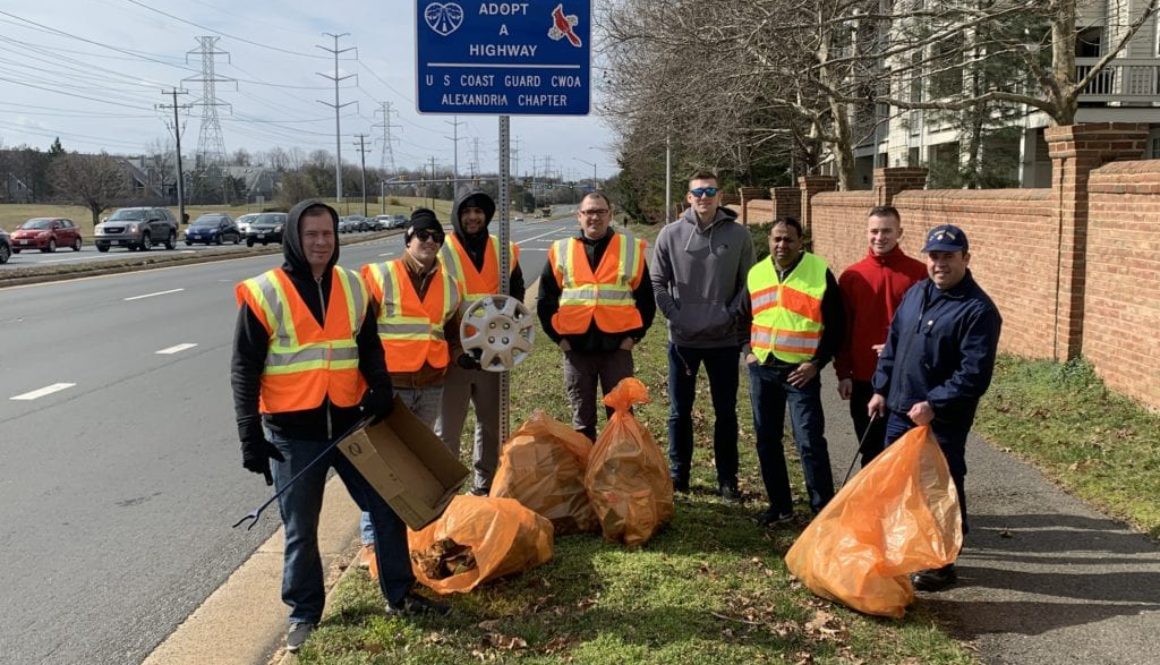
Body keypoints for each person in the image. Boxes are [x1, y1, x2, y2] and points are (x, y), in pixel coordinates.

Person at [231, 200, 448, 654]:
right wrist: (249, 432)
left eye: (327, 234)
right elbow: (244, 368)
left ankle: (400, 594)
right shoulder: (265, 291)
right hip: (294, 431)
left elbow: (369, 345)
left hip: (350, 423)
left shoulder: (352, 286)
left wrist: (381, 386)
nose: (320, 243)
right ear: (294, 236)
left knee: (386, 506)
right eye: (311, 234)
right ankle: (304, 613)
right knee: (301, 526)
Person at [868, 224, 1002, 592]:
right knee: (898, 486)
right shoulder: (917, 294)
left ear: (965, 258)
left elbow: (973, 374)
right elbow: (894, 343)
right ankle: (906, 550)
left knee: (938, 489)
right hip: (898, 411)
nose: (940, 263)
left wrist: (935, 403)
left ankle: (942, 563)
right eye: (934, 256)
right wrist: (880, 388)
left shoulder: (978, 310)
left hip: (940, 420)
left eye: (948, 256)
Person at [650, 171, 754, 501]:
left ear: (719, 196)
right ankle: (679, 476)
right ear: (688, 198)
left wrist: (729, 315)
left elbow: (749, 284)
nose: (704, 197)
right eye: (698, 192)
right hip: (683, 341)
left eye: (710, 191)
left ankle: (727, 479)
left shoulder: (739, 236)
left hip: (723, 341)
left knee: (726, 412)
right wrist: (676, 315)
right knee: (680, 411)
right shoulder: (670, 235)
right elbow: (656, 283)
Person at [737, 217, 845, 526]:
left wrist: (816, 364)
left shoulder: (819, 272)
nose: (781, 245)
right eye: (776, 239)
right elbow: (741, 317)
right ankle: (780, 507)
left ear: (801, 242)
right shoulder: (757, 272)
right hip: (763, 370)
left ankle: (822, 512)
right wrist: (747, 352)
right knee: (766, 440)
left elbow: (836, 327)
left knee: (809, 441)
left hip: (801, 373)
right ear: (769, 240)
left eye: (788, 240)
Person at [537, 192, 656, 440]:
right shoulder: (561, 250)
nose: (595, 217)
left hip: (617, 350)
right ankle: (587, 472)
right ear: (579, 216)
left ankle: (618, 473)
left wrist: (632, 339)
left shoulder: (629, 248)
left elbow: (646, 299)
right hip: (577, 350)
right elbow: (545, 300)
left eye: (601, 212)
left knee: (621, 417)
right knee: (582, 420)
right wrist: (560, 340)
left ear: (610, 215)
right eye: (589, 212)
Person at [435, 190, 525, 496]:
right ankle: (445, 494)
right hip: (454, 355)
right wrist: (453, 345)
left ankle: (483, 486)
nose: (473, 217)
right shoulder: (440, 250)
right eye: (466, 211)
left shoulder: (504, 250)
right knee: (448, 430)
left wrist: (506, 338)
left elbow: (516, 296)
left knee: (491, 426)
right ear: (457, 215)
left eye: (478, 211)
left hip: (492, 353)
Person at [834, 206, 927, 466]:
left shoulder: (919, 274)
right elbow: (843, 330)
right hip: (864, 377)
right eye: (874, 231)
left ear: (900, 232)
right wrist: (843, 373)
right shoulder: (852, 276)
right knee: (870, 451)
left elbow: (926, 328)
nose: (880, 237)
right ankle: (873, 506)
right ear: (866, 233)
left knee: (903, 452)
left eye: (887, 231)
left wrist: (898, 346)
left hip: (905, 378)